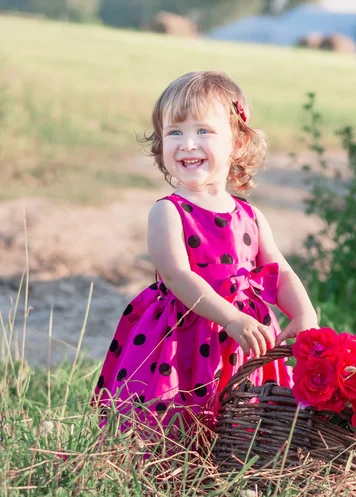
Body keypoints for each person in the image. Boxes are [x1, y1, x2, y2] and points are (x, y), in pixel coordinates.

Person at [92, 71, 318, 436]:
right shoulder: (168, 211)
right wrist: (230, 317)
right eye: (175, 132)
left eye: (203, 131)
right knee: (176, 416)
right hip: (182, 333)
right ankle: (173, 461)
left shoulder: (251, 216)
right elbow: (178, 275)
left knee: (245, 411)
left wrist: (304, 312)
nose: (187, 144)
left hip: (243, 335)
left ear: (237, 143)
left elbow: (282, 271)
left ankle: (238, 457)